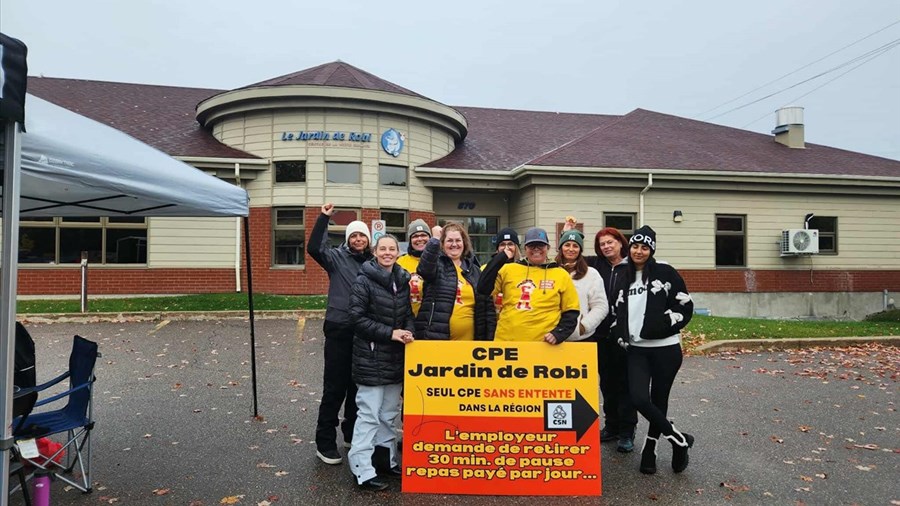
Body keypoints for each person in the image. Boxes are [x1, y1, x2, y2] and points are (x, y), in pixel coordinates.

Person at [609, 225, 695, 474]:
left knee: (659, 400)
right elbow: (618, 313)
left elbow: (684, 306)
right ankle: (679, 440)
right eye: (635, 246)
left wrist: (663, 326)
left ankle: (650, 448)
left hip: (666, 349)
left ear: (651, 250)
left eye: (644, 247)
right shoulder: (625, 277)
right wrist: (620, 335)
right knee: (639, 398)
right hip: (636, 349)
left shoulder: (665, 272)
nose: (639, 251)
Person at [346, 234, 415, 491]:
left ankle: (385, 461)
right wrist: (390, 333)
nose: (387, 252)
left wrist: (407, 330)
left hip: (395, 358)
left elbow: (408, 313)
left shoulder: (402, 279)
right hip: (372, 357)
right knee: (369, 416)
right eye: (382, 248)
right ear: (375, 252)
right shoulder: (364, 280)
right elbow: (356, 318)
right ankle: (362, 470)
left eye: (392, 249)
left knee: (388, 414)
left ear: (398, 252)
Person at [307, 203, 373, 465]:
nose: (358, 239)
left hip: (363, 332)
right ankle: (324, 442)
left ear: (368, 239)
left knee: (357, 387)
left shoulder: (373, 261)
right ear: (347, 239)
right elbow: (314, 248)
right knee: (334, 388)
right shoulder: (335, 258)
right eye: (353, 235)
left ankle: (350, 433)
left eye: (362, 235)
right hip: (339, 329)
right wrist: (324, 218)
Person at [478, 227, 579, 343]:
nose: (536, 249)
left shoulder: (561, 274)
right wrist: (500, 258)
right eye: (532, 246)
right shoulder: (508, 269)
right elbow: (483, 289)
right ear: (525, 248)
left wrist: (559, 333)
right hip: (507, 342)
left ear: (548, 248)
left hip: (544, 346)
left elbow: (571, 311)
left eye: (540, 245)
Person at [589, 226, 639, 453]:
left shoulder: (634, 266)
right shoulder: (595, 266)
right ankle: (611, 426)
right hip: (600, 335)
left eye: (610, 242)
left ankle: (627, 431)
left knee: (625, 384)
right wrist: (567, 233)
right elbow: (567, 254)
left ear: (620, 242)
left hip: (625, 335)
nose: (607, 246)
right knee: (607, 383)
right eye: (602, 244)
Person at [415, 222, 495, 341]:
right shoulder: (436, 265)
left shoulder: (475, 271)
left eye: (458, 240)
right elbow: (424, 269)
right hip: (436, 339)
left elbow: (486, 308)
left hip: (469, 344)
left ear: (464, 243)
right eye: (449, 241)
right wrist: (435, 239)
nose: (454, 244)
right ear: (442, 244)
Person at [555, 229, 608, 342]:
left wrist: (583, 326)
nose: (571, 249)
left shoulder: (591, 274)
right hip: (550, 337)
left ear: (580, 250)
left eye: (575, 246)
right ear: (560, 248)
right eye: (567, 245)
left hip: (580, 339)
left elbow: (600, 306)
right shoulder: (550, 271)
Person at [396, 219, 431, 316]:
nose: (420, 239)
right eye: (415, 236)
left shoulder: (439, 261)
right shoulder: (399, 263)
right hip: (406, 319)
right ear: (410, 240)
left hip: (432, 321)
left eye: (423, 235)